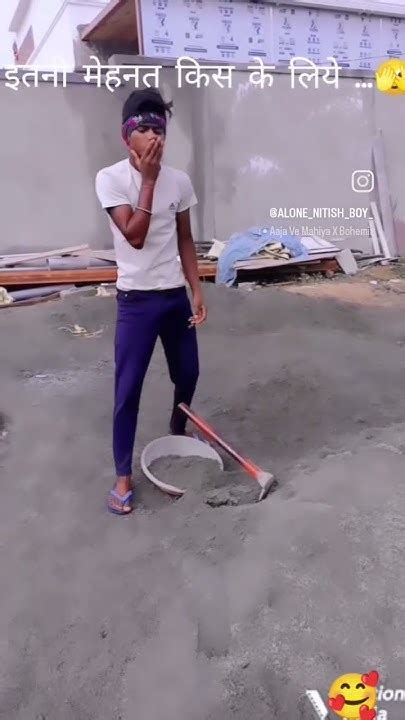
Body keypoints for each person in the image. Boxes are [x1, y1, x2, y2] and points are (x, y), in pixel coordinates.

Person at [95, 88, 207, 516]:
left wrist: (196, 288)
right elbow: (135, 236)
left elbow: (185, 238)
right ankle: (123, 475)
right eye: (144, 128)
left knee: (189, 372)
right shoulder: (110, 179)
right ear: (127, 137)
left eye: (159, 128)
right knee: (128, 390)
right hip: (136, 302)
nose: (154, 136)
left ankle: (178, 424)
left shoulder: (179, 181)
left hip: (173, 297)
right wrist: (147, 180)